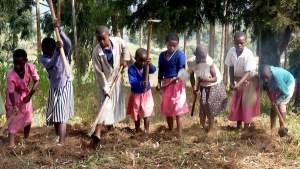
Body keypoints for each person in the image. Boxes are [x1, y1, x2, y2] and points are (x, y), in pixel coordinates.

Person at [91, 25, 131, 143]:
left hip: (117, 78)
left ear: (108, 35)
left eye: (104, 38)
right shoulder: (96, 52)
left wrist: (125, 59)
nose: (102, 42)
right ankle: (97, 133)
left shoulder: (118, 42)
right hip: (105, 82)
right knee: (105, 106)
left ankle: (110, 128)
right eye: (99, 40)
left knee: (113, 106)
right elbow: (99, 73)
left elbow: (125, 48)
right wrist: (106, 89)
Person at [40, 21, 74, 145]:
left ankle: (62, 141)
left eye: (48, 49)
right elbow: (50, 63)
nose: (44, 51)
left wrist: (60, 32)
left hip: (65, 85)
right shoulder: (43, 58)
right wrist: (56, 52)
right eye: (44, 50)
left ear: (53, 47)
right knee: (55, 114)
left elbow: (69, 44)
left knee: (62, 114)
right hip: (54, 88)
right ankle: (58, 136)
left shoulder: (64, 52)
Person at [225, 31, 260, 130]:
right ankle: (238, 126)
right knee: (238, 104)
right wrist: (232, 82)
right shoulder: (231, 51)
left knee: (246, 105)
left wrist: (238, 84)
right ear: (234, 42)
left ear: (246, 42)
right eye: (237, 43)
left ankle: (246, 128)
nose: (239, 45)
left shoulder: (248, 54)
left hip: (249, 81)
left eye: (242, 43)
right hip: (237, 80)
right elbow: (231, 67)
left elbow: (248, 72)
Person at [5, 49, 39, 148]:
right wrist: (14, 105)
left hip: (26, 95)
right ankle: (11, 144)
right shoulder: (10, 75)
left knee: (28, 116)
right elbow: (11, 92)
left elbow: (36, 81)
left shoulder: (30, 67)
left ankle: (26, 138)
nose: (17, 66)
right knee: (12, 118)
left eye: (19, 63)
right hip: (13, 96)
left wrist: (29, 95)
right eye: (15, 63)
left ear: (25, 61)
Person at [188, 46, 227, 132]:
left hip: (214, 85)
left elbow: (215, 78)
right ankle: (201, 127)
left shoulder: (209, 62)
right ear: (196, 56)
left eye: (204, 57)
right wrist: (194, 87)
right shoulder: (191, 62)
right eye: (201, 57)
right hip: (203, 85)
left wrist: (205, 79)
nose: (203, 59)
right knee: (202, 104)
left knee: (209, 106)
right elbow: (191, 76)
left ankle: (211, 128)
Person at [157, 33, 189, 136]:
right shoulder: (162, 56)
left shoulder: (180, 55)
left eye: (174, 45)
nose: (172, 47)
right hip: (166, 84)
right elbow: (161, 71)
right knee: (168, 108)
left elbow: (182, 69)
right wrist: (158, 83)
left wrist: (178, 77)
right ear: (166, 43)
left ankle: (179, 134)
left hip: (177, 84)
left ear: (177, 45)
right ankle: (171, 130)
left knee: (178, 108)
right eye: (170, 45)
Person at [127, 48, 156, 133]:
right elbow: (132, 82)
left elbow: (153, 70)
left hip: (146, 93)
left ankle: (146, 131)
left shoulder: (146, 66)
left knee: (146, 112)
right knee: (137, 113)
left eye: (144, 61)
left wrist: (150, 64)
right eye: (140, 61)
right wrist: (141, 84)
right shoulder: (131, 69)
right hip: (136, 94)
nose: (142, 63)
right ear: (135, 58)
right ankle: (137, 129)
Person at [260, 65, 295, 132]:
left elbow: (285, 93)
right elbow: (267, 89)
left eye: (267, 77)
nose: (265, 80)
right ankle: (272, 129)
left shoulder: (277, 76)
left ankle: (282, 128)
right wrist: (272, 100)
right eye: (264, 78)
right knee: (273, 107)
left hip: (288, 84)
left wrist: (277, 101)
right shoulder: (265, 76)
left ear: (271, 73)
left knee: (281, 104)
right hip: (277, 86)